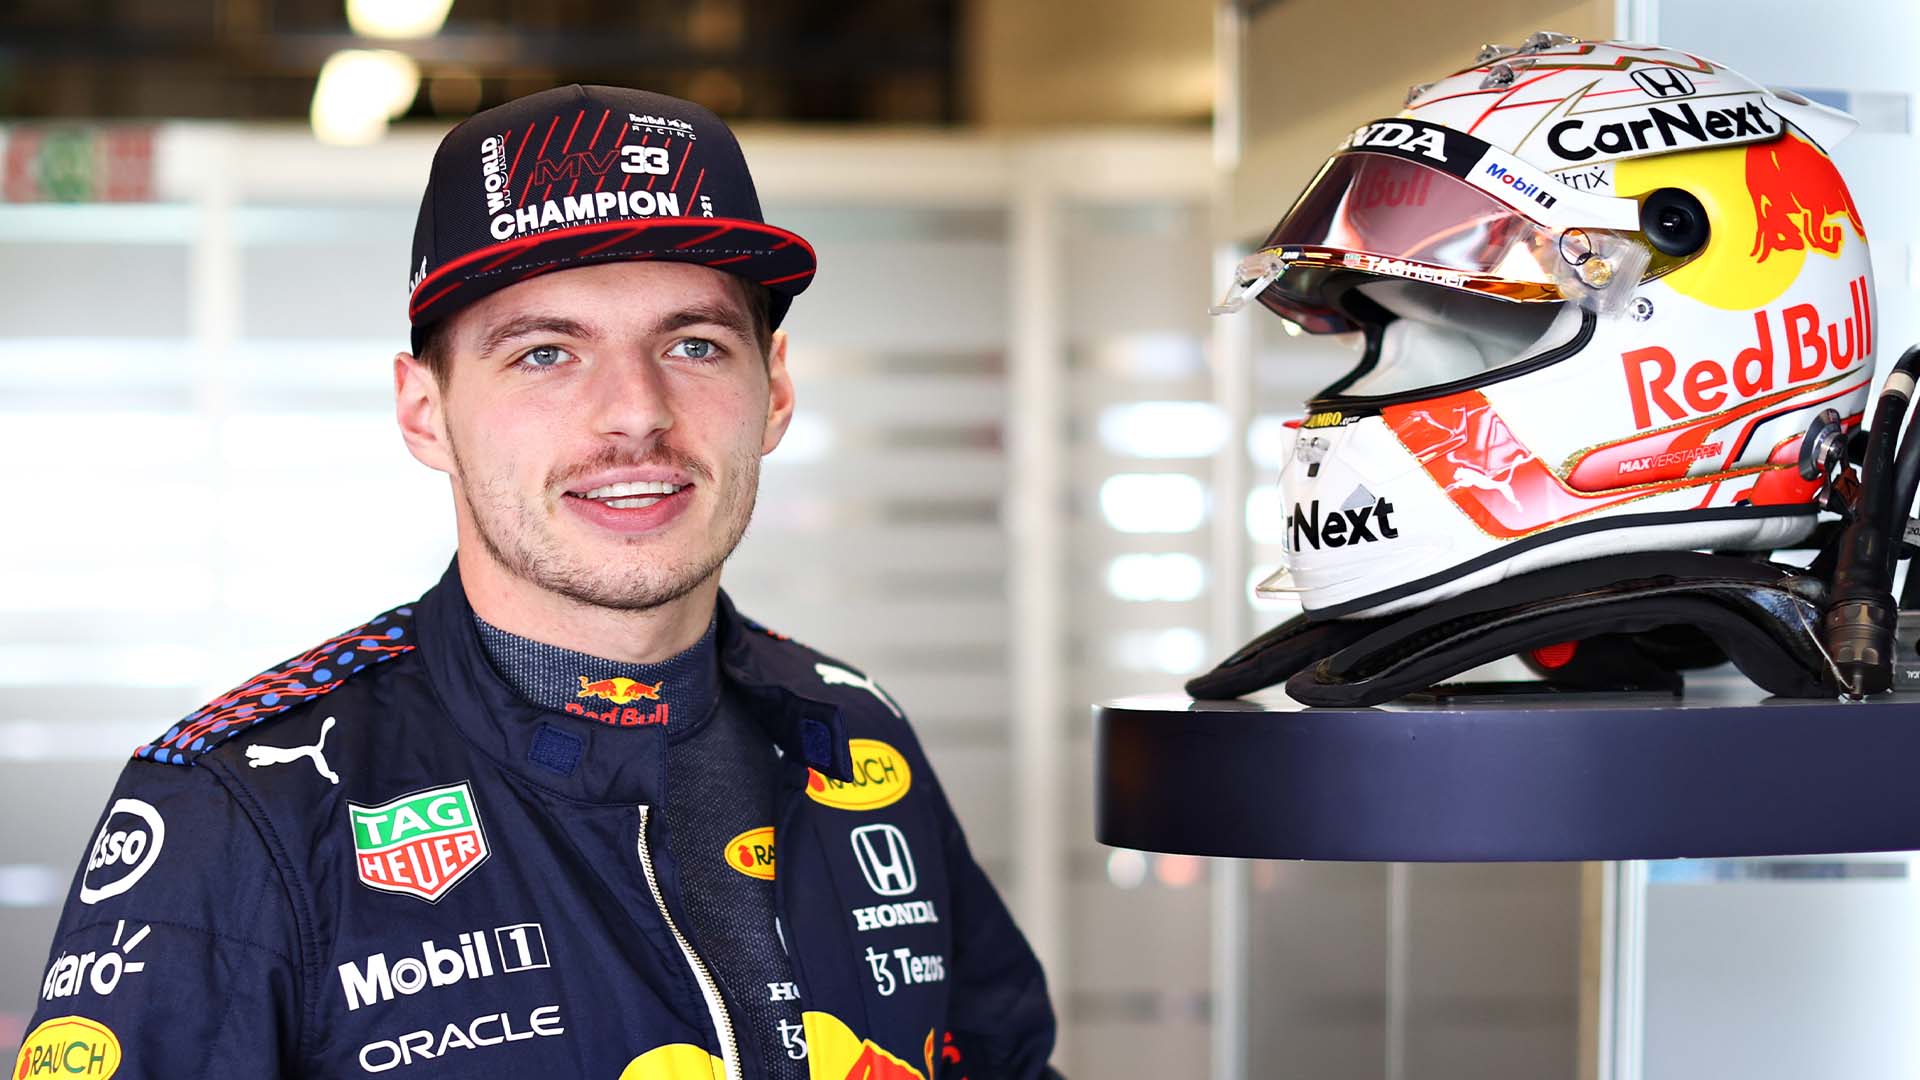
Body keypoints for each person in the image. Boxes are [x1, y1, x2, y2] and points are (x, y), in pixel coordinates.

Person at [17, 85, 1060, 1080]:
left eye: (695, 344)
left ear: (775, 391)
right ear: (425, 412)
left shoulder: (853, 730)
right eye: (546, 354)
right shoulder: (241, 808)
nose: (636, 412)